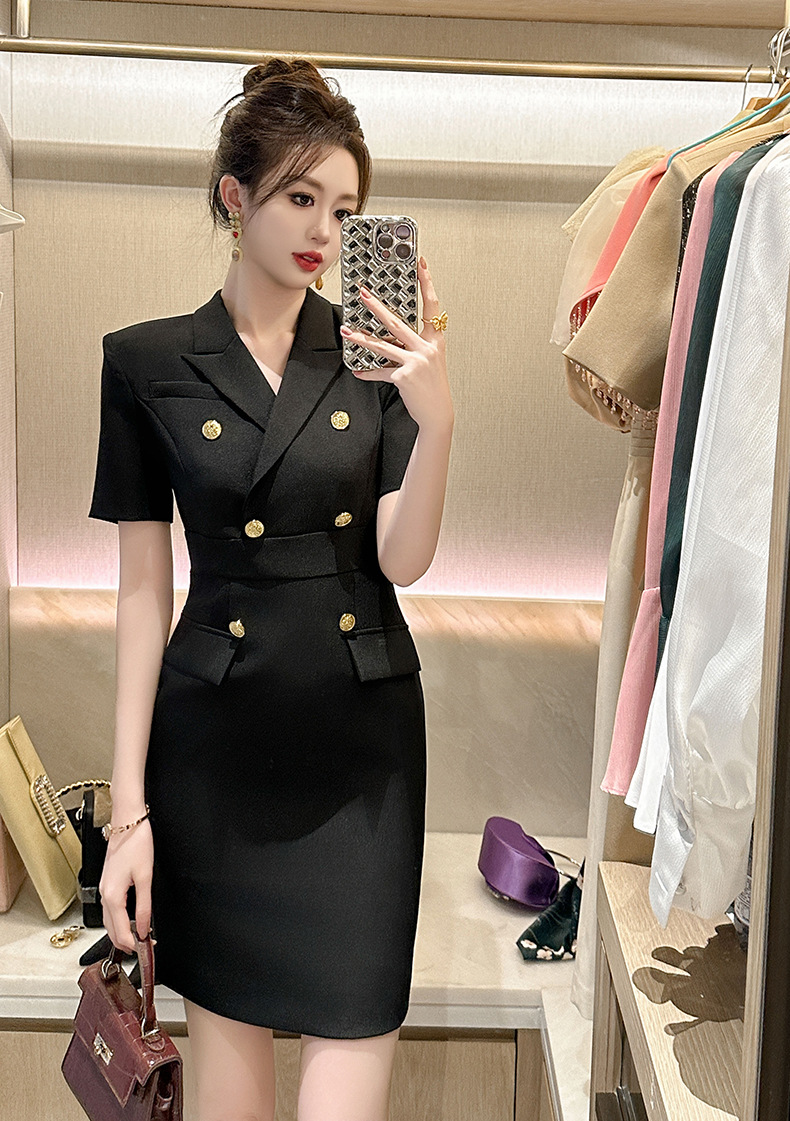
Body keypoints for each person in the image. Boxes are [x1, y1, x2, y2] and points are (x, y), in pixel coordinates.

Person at [88, 56, 453, 1121]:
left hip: (362, 761)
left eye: (344, 208)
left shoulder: (375, 356)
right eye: (300, 197)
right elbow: (142, 596)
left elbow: (402, 559)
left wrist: (439, 421)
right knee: (229, 1097)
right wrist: (128, 814)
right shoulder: (145, 362)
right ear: (233, 195)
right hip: (215, 758)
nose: (324, 231)